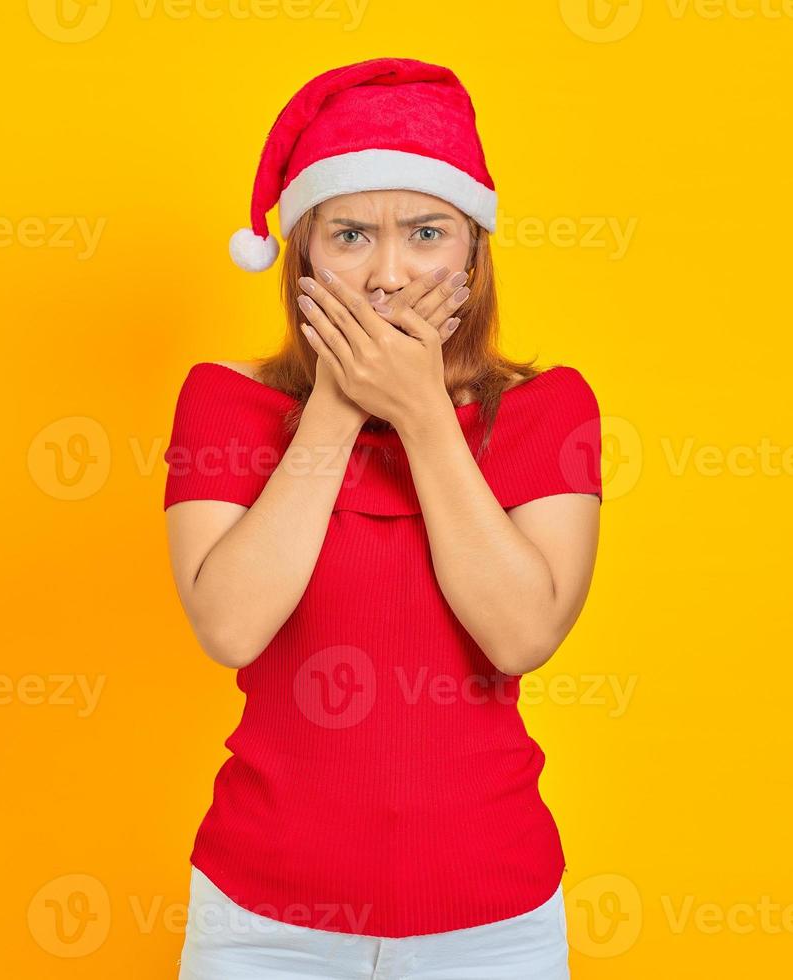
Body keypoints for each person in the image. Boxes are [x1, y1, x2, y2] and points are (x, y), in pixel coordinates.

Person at [164, 57, 603, 980]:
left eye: (427, 232)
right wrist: (338, 403)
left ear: (473, 251)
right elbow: (232, 625)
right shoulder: (221, 404)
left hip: (492, 919)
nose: (390, 274)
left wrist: (421, 414)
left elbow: (522, 632)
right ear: (304, 254)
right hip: (262, 922)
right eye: (353, 235)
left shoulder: (546, 410)